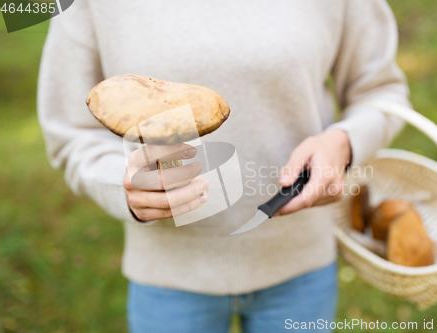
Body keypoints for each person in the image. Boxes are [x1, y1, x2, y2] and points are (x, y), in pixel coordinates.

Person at [37, 0, 410, 332]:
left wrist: (344, 142)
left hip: (301, 269)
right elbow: (70, 129)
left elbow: (381, 90)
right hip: (169, 280)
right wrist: (122, 186)